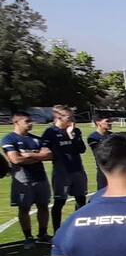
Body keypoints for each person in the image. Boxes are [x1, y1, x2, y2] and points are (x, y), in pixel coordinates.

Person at [2, 111, 52, 248]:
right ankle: (28, 237)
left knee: (43, 206)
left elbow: (49, 155)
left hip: (40, 177)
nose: (30, 124)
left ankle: (43, 234)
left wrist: (28, 155)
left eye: (31, 121)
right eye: (27, 121)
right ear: (16, 122)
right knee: (24, 208)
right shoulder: (9, 139)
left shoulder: (36, 139)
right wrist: (38, 156)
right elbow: (15, 160)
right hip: (23, 179)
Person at [42, 105, 88, 233]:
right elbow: (44, 150)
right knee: (60, 201)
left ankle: (78, 229)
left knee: (81, 200)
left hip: (77, 169)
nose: (73, 120)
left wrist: (71, 135)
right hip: (62, 171)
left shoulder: (75, 131)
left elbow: (82, 149)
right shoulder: (50, 132)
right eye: (69, 117)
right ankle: (57, 231)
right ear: (59, 118)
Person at [87, 116, 113, 190]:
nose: (110, 123)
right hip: (103, 170)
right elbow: (99, 153)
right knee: (103, 192)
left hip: (116, 169)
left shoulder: (113, 135)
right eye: (107, 121)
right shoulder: (93, 137)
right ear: (98, 123)